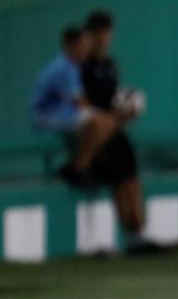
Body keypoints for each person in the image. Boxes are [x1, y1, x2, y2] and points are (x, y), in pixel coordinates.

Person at [79, 10, 162, 254]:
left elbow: (112, 101)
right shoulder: (83, 67)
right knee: (119, 184)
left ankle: (139, 232)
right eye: (98, 33)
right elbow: (84, 105)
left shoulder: (110, 65)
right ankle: (130, 234)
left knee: (132, 181)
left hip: (115, 130)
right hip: (98, 134)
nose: (103, 38)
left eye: (106, 33)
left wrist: (126, 113)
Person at [29, 26, 127, 185]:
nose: (85, 50)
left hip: (62, 113)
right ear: (71, 46)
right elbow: (80, 103)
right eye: (82, 46)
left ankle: (86, 165)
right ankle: (78, 167)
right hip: (46, 116)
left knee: (106, 122)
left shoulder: (73, 67)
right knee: (100, 122)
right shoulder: (63, 67)